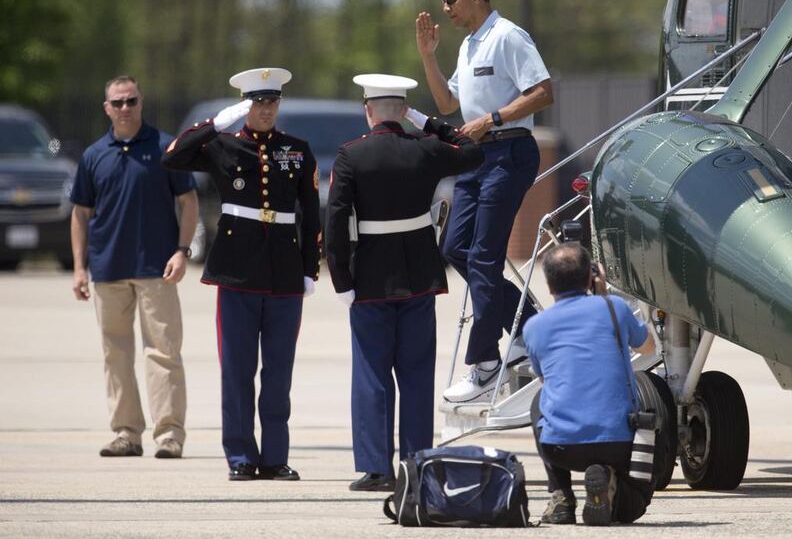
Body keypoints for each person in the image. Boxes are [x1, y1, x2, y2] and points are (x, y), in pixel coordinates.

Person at [326, 73, 484, 491]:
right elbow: (472, 151)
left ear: (368, 110)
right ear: (402, 111)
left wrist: (341, 278)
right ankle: (416, 463)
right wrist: (428, 121)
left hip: (370, 280)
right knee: (415, 374)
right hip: (419, 276)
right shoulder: (426, 148)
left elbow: (337, 221)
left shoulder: (350, 155)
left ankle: (377, 468)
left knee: (372, 375)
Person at [162, 67, 320, 482]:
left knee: (278, 373)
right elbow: (173, 157)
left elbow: (310, 213)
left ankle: (274, 456)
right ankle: (239, 455)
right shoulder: (222, 146)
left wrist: (309, 269)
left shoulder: (297, 150)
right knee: (237, 371)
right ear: (244, 105)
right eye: (258, 103)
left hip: (284, 272)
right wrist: (215, 123)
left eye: (272, 102)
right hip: (236, 273)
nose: (266, 110)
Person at [415, 0, 554, 403]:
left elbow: (543, 92)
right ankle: (529, 325)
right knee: (455, 249)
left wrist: (491, 119)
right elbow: (447, 102)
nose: (445, 8)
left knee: (484, 257)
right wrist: (428, 55)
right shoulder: (469, 45)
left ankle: (486, 364)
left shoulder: (508, 36)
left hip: (509, 151)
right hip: (477, 155)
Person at [70, 75, 198, 459]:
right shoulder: (94, 155)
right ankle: (126, 432)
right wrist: (79, 268)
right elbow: (80, 213)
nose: (125, 108)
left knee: (163, 352)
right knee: (116, 353)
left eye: (132, 101)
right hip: (107, 269)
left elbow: (189, 202)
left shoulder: (164, 147)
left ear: (142, 103)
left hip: (157, 268)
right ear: (106, 108)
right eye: (118, 102)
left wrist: (181, 251)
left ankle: (170, 434)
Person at [523, 243, 656, 525]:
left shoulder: (534, 327)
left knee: (539, 401)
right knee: (633, 507)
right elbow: (648, 348)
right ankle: (613, 486)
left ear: (548, 285)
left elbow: (547, 379)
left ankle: (561, 496)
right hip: (618, 444)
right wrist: (605, 297)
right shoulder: (615, 308)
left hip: (561, 448)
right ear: (591, 276)